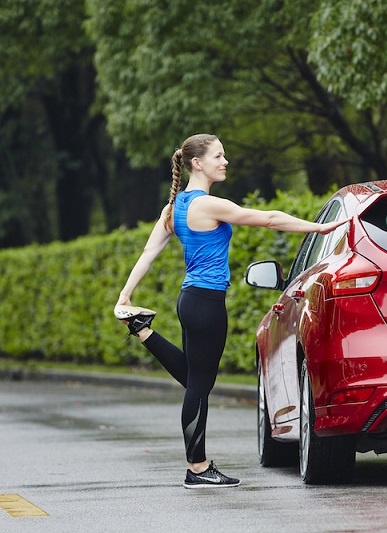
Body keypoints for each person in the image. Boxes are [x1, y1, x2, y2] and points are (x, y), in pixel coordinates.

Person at [114, 133, 348, 489]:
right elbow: (268, 218)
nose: (225, 162)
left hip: (189, 300)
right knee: (198, 387)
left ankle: (143, 330)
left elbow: (148, 252)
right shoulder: (207, 205)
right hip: (206, 303)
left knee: (196, 381)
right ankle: (196, 467)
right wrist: (321, 228)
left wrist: (125, 296)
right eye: (218, 156)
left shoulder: (173, 208)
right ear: (197, 163)